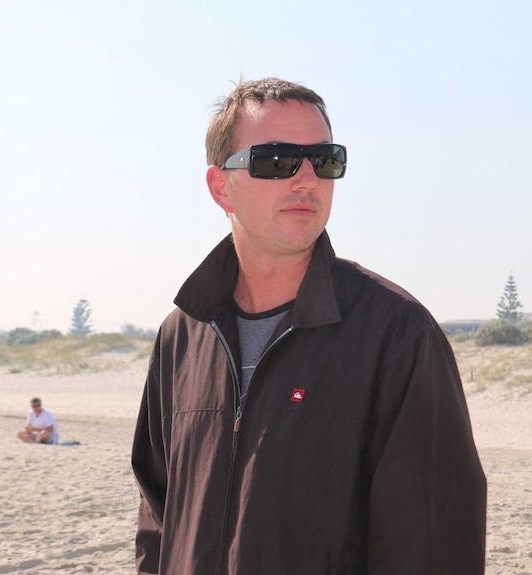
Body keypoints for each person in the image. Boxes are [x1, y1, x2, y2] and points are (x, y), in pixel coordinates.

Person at [131, 77, 486, 574]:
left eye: (325, 160)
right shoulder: (181, 336)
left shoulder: (398, 335)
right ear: (221, 186)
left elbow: (434, 544)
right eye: (276, 160)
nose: (306, 179)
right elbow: (158, 521)